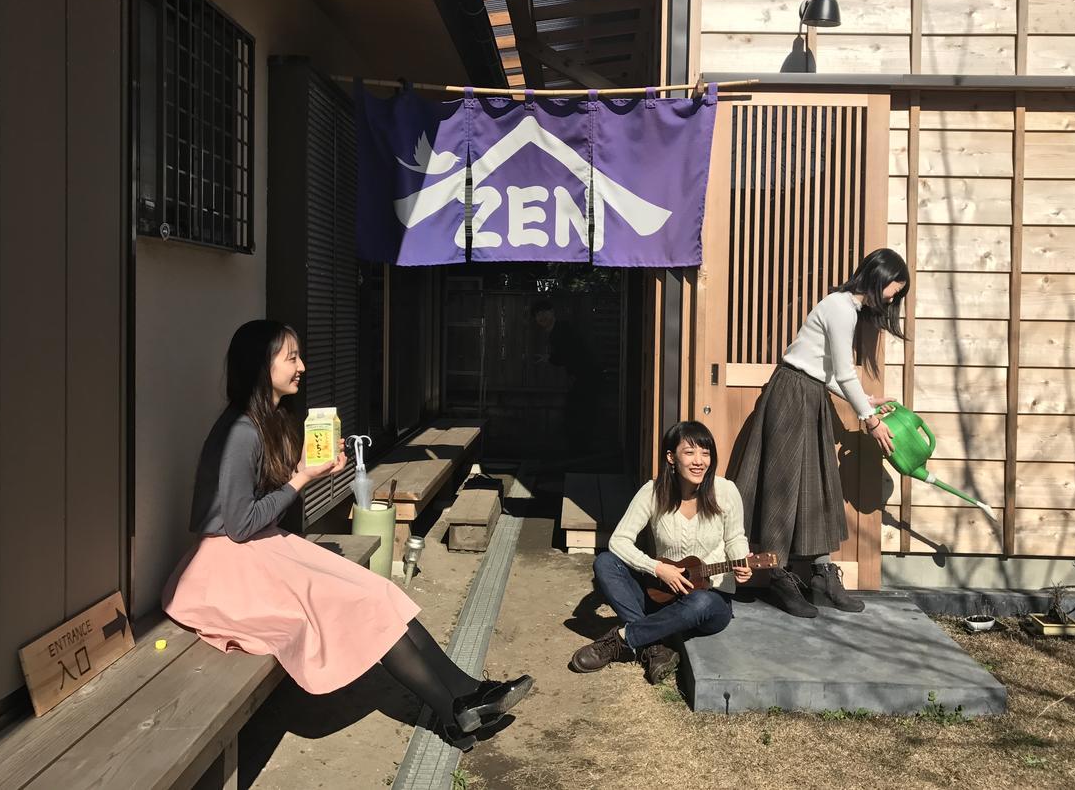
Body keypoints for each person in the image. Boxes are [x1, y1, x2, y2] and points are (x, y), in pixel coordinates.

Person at [163, 320, 532, 750]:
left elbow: (265, 504)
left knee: (376, 591)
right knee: (360, 601)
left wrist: (310, 469)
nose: (302, 365)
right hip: (224, 569)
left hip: (256, 553)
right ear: (263, 367)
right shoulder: (240, 431)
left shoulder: (266, 422)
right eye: (291, 357)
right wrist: (301, 478)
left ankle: (467, 692)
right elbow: (241, 524)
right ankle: (453, 712)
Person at [732, 248, 908, 618]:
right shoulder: (841, 308)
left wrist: (866, 400)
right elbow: (843, 372)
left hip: (809, 394)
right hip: (792, 394)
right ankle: (778, 575)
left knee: (815, 487)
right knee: (783, 484)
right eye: (894, 290)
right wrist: (870, 421)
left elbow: (829, 374)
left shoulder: (846, 308)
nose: (893, 298)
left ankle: (821, 576)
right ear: (879, 278)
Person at [569, 421, 750, 684]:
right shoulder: (652, 492)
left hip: (711, 601)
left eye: (706, 453)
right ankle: (654, 647)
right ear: (671, 457)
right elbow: (619, 541)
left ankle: (621, 639)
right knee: (606, 563)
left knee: (701, 601)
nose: (699, 461)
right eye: (690, 453)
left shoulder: (725, 490)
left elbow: (735, 537)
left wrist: (742, 561)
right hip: (661, 593)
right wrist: (657, 568)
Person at [531, 299, 600, 454]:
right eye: (537, 314)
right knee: (576, 412)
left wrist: (550, 358)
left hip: (586, 377)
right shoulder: (556, 331)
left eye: (544, 312)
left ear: (552, 312)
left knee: (578, 414)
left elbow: (567, 354)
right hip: (582, 377)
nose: (541, 316)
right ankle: (579, 450)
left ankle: (580, 451)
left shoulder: (562, 329)